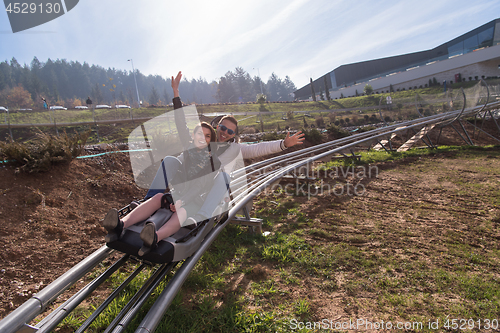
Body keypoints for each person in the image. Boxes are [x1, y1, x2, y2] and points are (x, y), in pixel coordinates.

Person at [168, 71, 305, 224]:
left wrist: (283, 144)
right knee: (170, 161)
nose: (225, 133)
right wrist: (176, 94)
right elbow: (181, 125)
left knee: (223, 176)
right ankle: (154, 200)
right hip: (188, 182)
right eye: (223, 128)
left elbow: (258, 148)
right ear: (217, 126)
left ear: (233, 135)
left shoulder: (234, 149)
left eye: (230, 132)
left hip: (205, 188)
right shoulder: (203, 139)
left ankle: (202, 216)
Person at [103, 121, 221, 256]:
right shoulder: (187, 153)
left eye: (207, 136)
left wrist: (182, 201)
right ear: (193, 135)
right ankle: (120, 224)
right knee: (159, 197)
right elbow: (181, 125)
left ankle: (155, 237)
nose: (202, 138)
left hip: (195, 199)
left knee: (181, 212)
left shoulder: (213, 161)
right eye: (200, 133)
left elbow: (198, 187)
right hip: (179, 194)